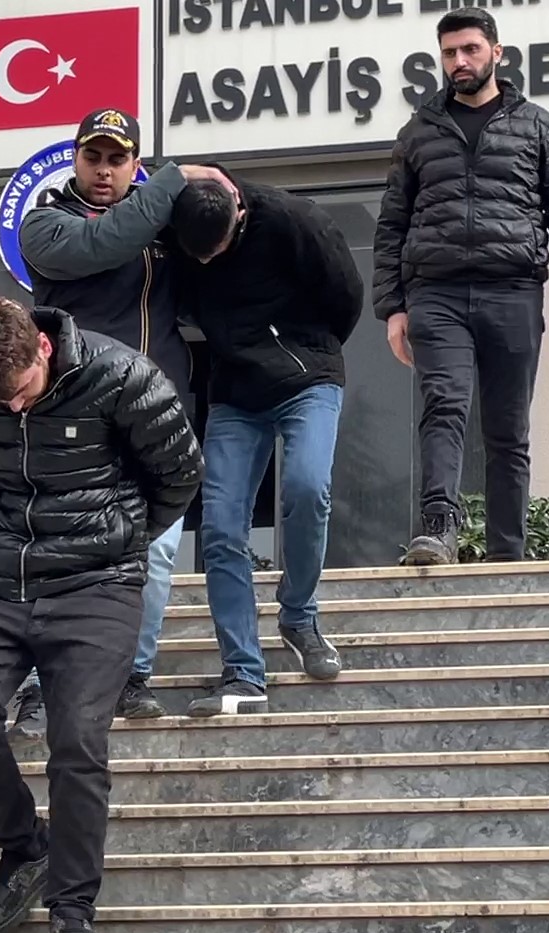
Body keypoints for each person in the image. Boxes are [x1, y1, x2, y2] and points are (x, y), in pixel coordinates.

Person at [0, 299, 200, 933]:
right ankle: (25, 847)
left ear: (43, 348)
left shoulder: (123, 376)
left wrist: (119, 537)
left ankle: (73, 912)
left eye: (22, 390)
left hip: (97, 584)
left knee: (77, 737)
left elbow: (180, 474)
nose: (14, 406)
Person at [19, 107, 232, 721]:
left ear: (134, 164)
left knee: (156, 554)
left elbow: (214, 258)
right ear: (75, 159)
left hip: (155, 410)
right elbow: (102, 244)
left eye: (118, 159)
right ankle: (38, 687)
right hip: (71, 411)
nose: (104, 170)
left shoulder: (161, 227)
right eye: (94, 157)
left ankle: (132, 676)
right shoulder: (46, 223)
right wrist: (173, 178)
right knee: (59, 548)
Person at [373, 7, 549, 566]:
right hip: (436, 294)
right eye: (450, 52)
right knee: (443, 407)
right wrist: (393, 307)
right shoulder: (418, 132)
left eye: (470, 49)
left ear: (496, 53)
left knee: (507, 429)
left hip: (513, 290)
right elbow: (391, 224)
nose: (460, 61)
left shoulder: (538, 126)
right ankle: (438, 532)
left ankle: (507, 555)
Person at [167, 171, 363, 718]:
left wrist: (304, 348)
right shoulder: (179, 224)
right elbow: (142, 180)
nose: (207, 263)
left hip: (308, 375)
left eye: (217, 251)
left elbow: (346, 295)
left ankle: (299, 616)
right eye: (198, 256)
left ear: (239, 214)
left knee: (307, 487)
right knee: (220, 527)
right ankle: (243, 672)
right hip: (235, 392)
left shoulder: (293, 220)